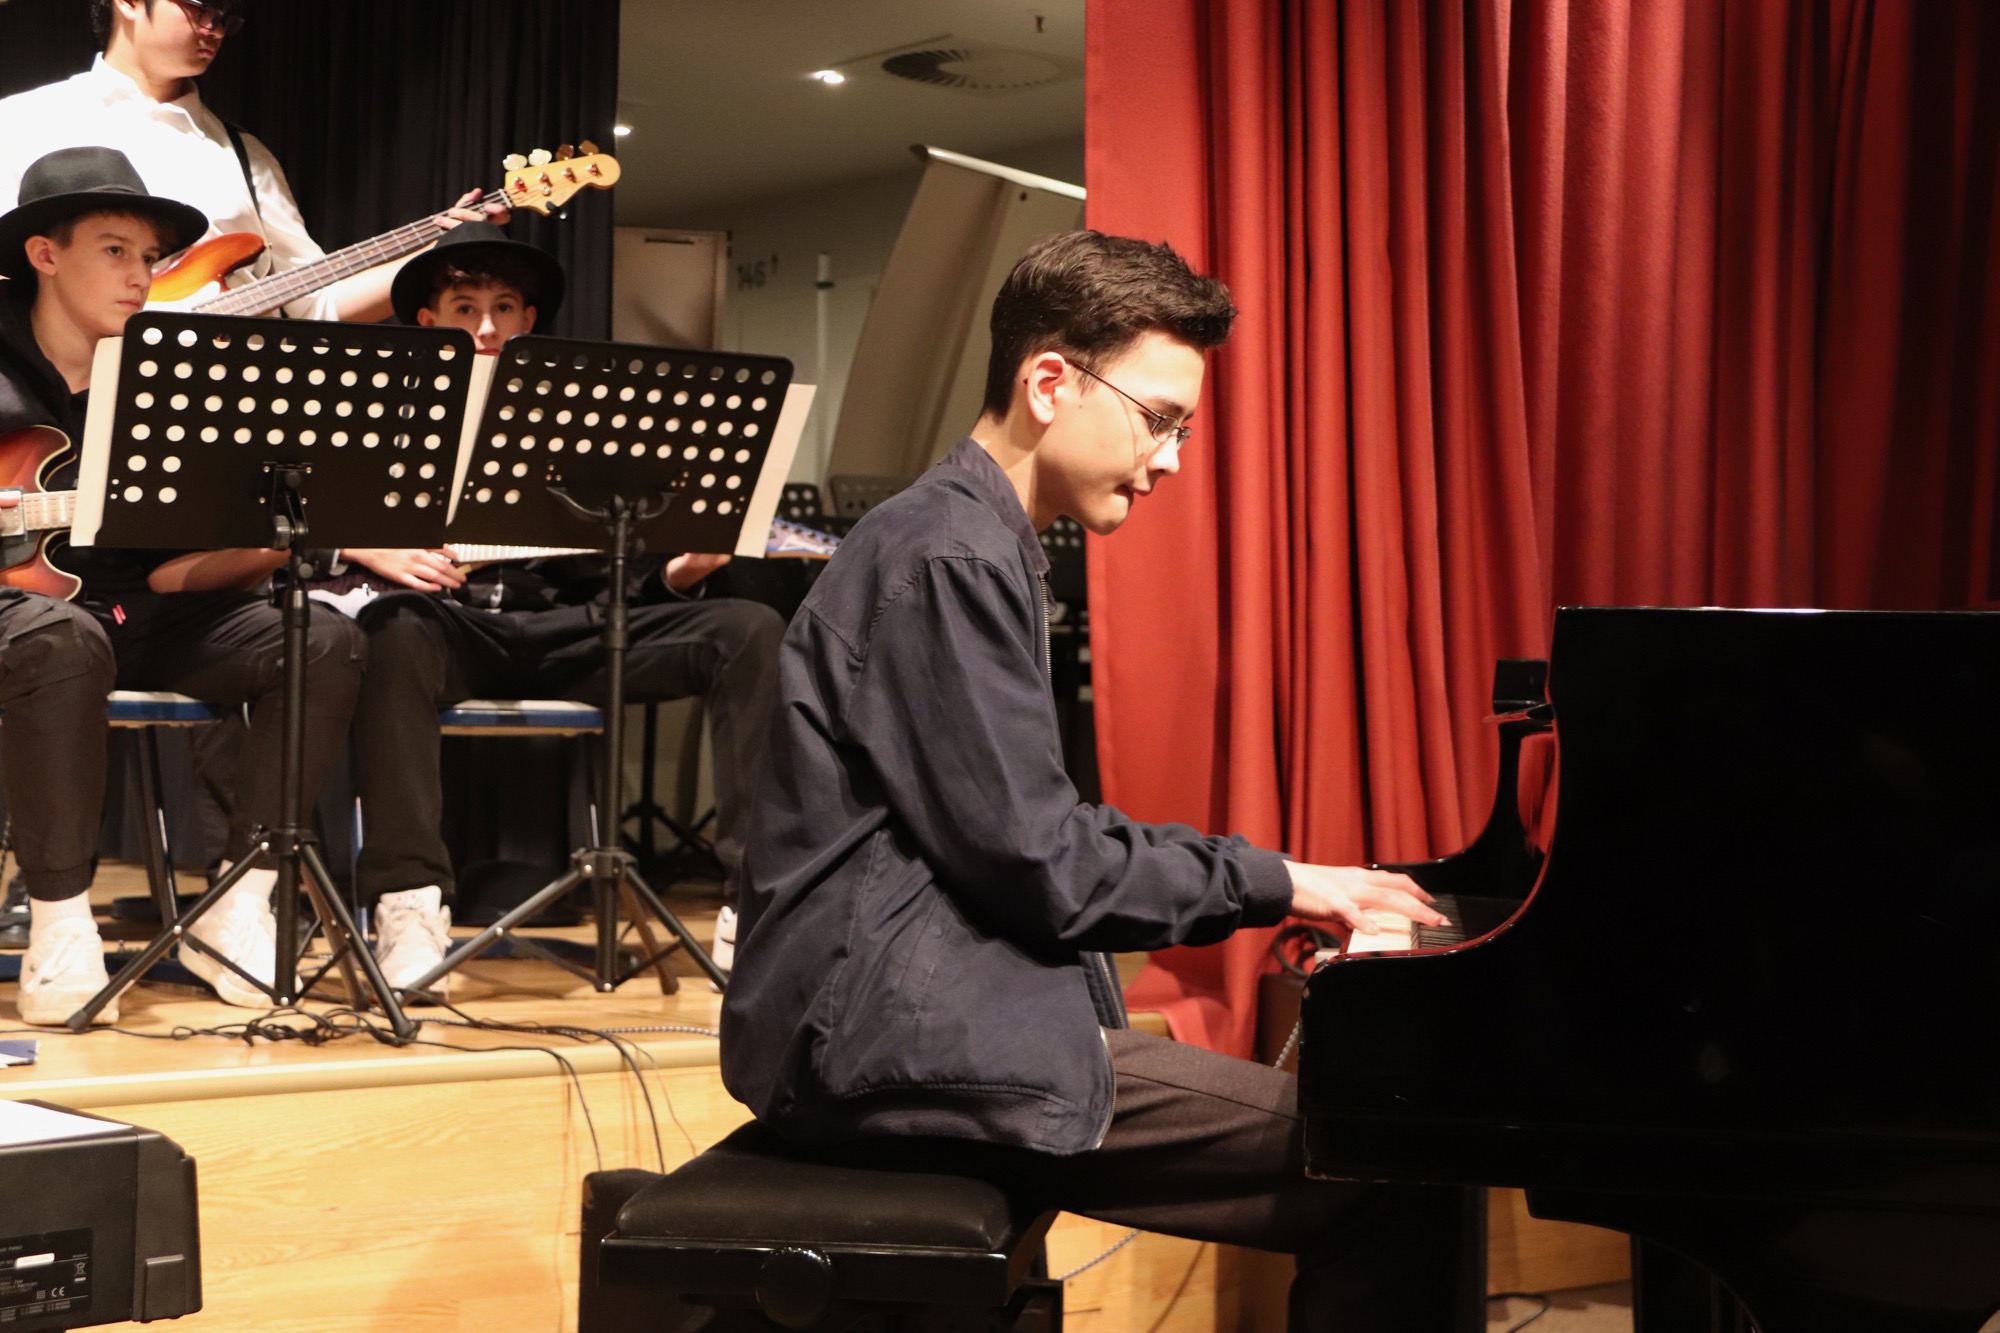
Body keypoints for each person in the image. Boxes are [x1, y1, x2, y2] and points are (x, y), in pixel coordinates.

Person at [720, 230, 1465, 1330]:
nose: (1170, 459)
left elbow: (1034, 835)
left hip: (907, 1015)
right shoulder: (946, 555)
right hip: (880, 1041)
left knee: (1376, 1150)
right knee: (1385, 1166)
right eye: (1158, 419)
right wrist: (1282, 881)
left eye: (1181, 429)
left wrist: (1276, 875)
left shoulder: (969, 539)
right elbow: (1046, 864)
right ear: (1049, 383)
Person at [317, 222, 781, 992]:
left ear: (529, 322)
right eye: (466, 309)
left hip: (572, 632)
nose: (487, 327)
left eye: (503, 308)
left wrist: (680, 574)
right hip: (452, 627)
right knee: (392, 631)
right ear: (428, 322)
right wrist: (368, 547)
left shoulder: (585, 415)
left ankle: (754, 902)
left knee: (747, 629)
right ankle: (409, 901)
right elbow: (295, 527)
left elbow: (620, 577)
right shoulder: (384, 415)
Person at [0, 146, 365, 1023]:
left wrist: (277, 544)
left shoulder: (167, 385)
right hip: (24, 621)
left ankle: (238, 903)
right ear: (45, 254)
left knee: (321, 636)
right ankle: (60, 922)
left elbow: (172, 569)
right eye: (115, 251)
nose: (141, 277)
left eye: (150, 257)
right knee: (62, 635)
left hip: (135, 613)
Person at [0, 0, 500, 324]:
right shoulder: (23, 120)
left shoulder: (245, 155)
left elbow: (314, 304)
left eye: (224, 18)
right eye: (199, 9)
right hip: (71, 397)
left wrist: (430, 254)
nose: (214, 29)